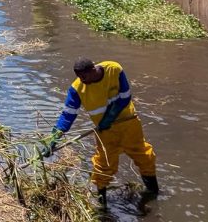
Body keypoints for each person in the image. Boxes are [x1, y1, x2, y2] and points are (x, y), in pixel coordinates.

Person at [45, 58, 158, 206]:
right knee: (103, 166)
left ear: (93, 70)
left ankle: (153, 193)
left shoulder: (114, 69)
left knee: (144, 156)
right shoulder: (77, 88)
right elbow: (68, 115)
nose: (81, 80)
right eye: (79, 77)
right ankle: (101, 205)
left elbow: (125, 96)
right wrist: (55, 138)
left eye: (84, 76)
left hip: (128, 124)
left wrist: (109, 117)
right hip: (105, 131)